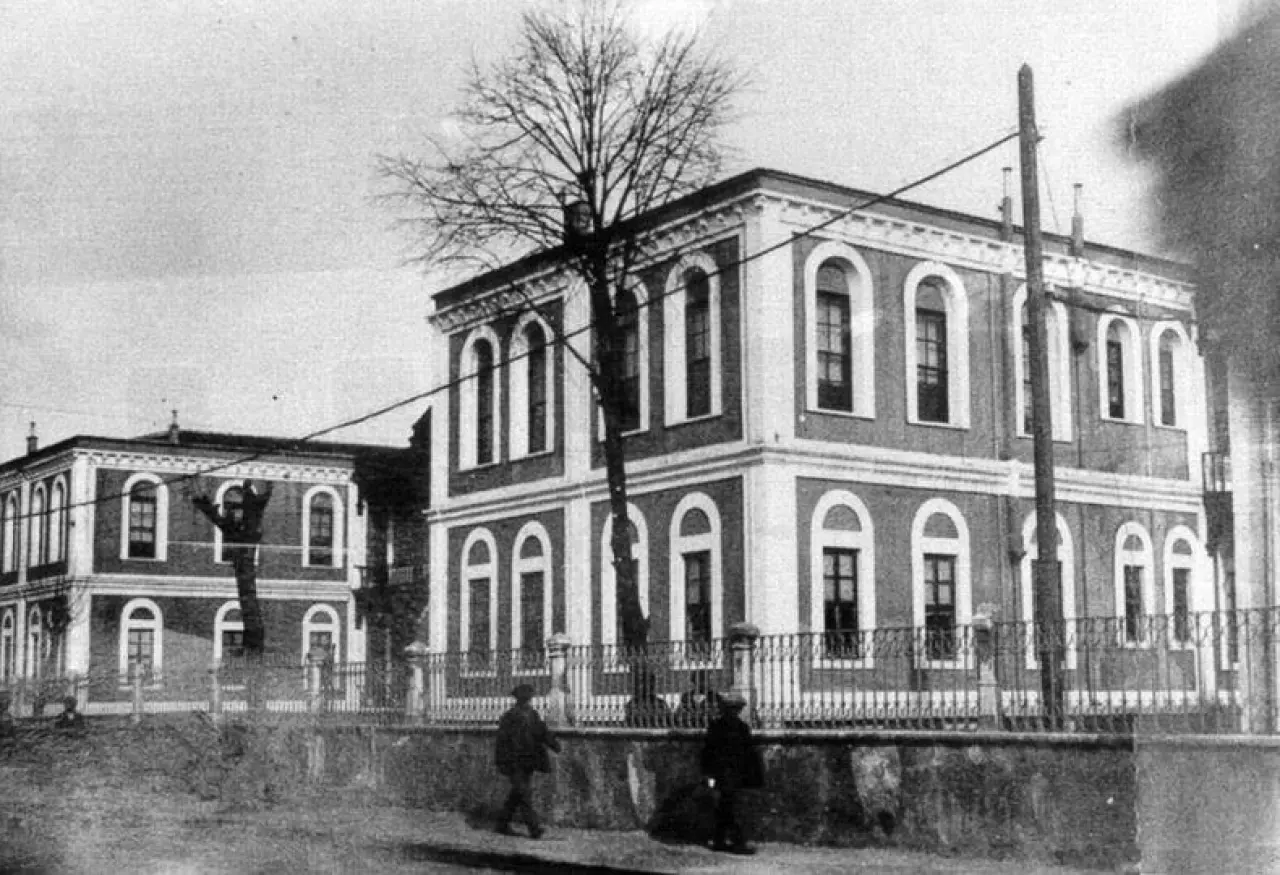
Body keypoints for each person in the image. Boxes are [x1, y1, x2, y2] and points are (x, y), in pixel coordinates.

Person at [494, 683, 561, 838]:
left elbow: (542, 732)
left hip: (528, 762)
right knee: (524, 795)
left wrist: (555, 745)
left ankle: (502, 824)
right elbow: (501, 742)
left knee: (517, 794)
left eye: (527, 698)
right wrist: (501, 762)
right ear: (519, 699)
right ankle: (534, 829)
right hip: (514, 763)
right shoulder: (509, 717)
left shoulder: (532, 715)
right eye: (524, 698)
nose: (527, 701)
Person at [700, 690, 763, 855]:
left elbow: (749, 753)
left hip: (734, 774)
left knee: (726, 806)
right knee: (729, 807)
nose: (734, 711)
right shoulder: (717, 727)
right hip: (722, 774)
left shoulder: (741, 728)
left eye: (736, 708)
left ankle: (720, 840)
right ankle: (737, 842)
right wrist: (708, 774)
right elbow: (708, 752)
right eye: (731, 708)